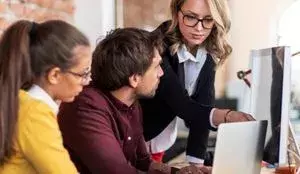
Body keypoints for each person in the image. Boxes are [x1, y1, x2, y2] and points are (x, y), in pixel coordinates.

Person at [58, 28, 211, 174]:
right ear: (135, 79)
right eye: (157, 66)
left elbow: (142, 162)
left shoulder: (131, 103)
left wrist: (178, 172)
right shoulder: (86, 107)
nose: (161, 73)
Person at [140, 0, 254, 165]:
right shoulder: (157, 44)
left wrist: (196, 162)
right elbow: (181, 104)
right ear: (176, 12)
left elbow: (204, 102)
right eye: (191, 17)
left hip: (159, 143)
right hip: (135, 138)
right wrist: (227, 116)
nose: (199, 28)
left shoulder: (207, 52)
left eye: (208, 20)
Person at [0, 20, 92, 173]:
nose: (87, 81)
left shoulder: (20, 101)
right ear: (54, 75)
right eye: (82, 74)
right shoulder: (34, 113)